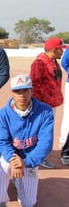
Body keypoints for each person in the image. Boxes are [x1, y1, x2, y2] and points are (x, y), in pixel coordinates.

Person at [0, 74, 54, 207]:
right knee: (4, 163)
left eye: (25, 90)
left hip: (29, 160)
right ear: (12, 92)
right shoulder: (3, 114)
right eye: (18, 91)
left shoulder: (45, 112)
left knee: (28, 204)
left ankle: (17, 179)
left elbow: (45, 144)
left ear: (32, 91)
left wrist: (25, 162)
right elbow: (1, 142)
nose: (22, 95)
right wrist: (15, 162)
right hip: (12, 158)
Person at [30, 37, 67, 169]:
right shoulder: (39, 63)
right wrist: (41, 104)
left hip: (51, 103)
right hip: (43, 104)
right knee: (41, 131)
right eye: (60, 50)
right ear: (53, 49)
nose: (63, 52)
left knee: (46, 130)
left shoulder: (53, 61)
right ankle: (38, 157)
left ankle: (41, 156)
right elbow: (35, 84)